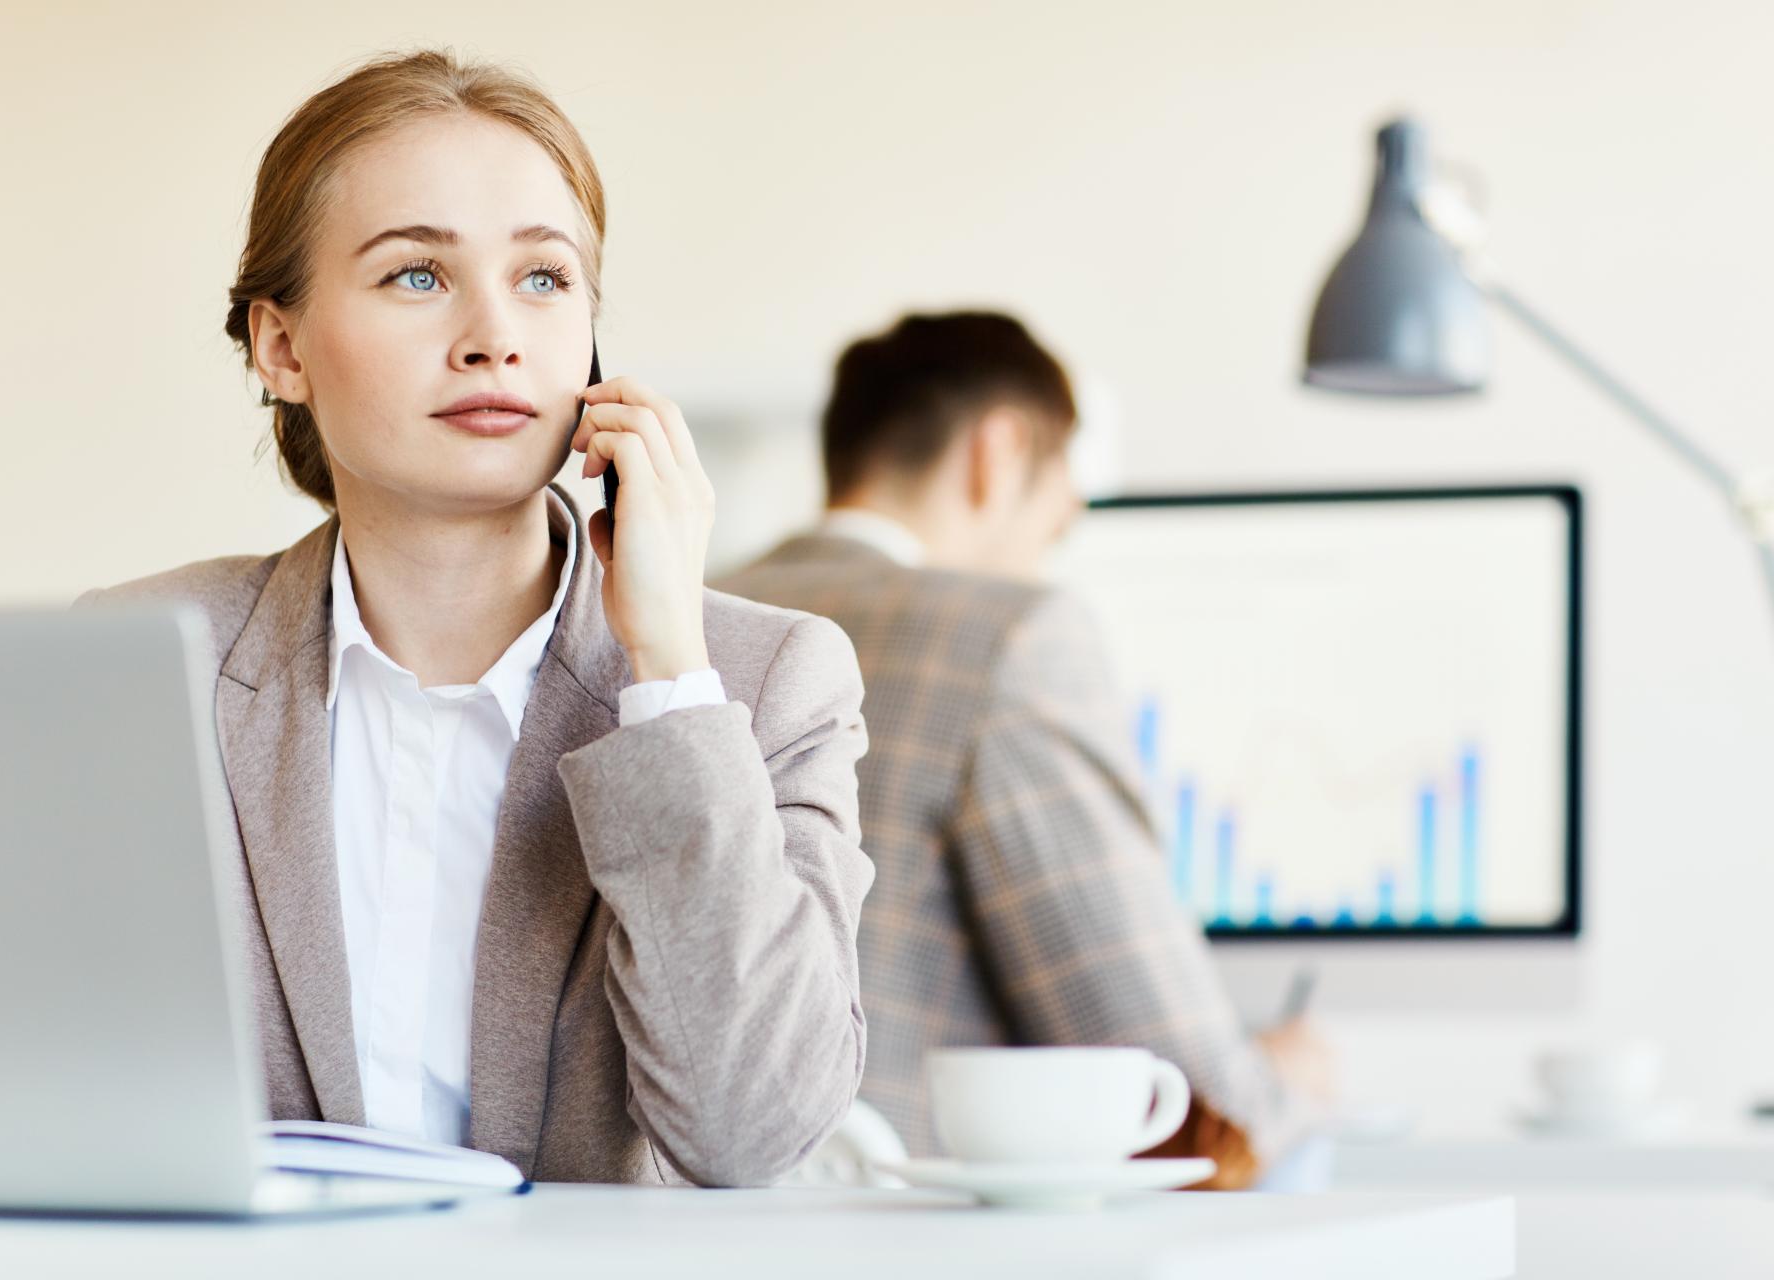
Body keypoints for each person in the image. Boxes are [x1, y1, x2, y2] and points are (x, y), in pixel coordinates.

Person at [79, 50, 873, 1189]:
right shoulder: (144, 660)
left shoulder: (766, 678)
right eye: (417, 275)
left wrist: (669, 673)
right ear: (281, 345)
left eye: (545, 279)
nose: (494, 335)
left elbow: (749, 1133)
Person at [715, 312, 1330, 1187]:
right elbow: (1189, 1106)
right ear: (996, 454)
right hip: (901, 1247)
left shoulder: (672, 615)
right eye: (1059, 518)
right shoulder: (1010, 636)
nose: (1051, 550)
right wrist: (1287, 1081)